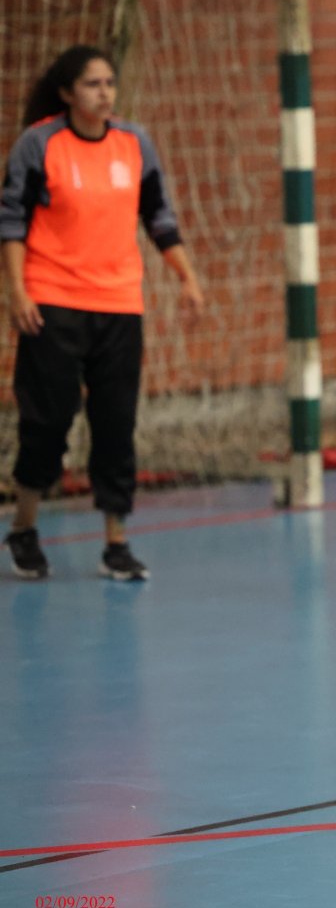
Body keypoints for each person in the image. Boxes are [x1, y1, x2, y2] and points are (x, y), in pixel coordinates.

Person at [0, 45, 204, 581]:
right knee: (48, 422)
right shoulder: (40, 144)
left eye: (110, 83)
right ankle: (23, 526)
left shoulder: (134, 144)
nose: (105, 93)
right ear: (67, 93)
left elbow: (158, 215)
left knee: (116, 423)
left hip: (118, 305)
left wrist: (186, 276)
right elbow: (12, 222)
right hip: (52, 303)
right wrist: (17, 292)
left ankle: (116, 541)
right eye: (93, 84)